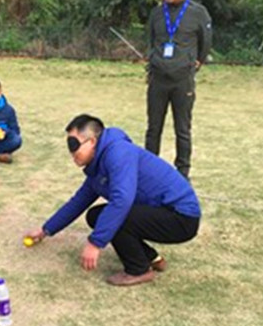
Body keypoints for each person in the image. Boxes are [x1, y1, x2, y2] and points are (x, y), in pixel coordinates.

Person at [25, 115, 201, 286]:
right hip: (161, 212)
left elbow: (122, 200)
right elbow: (77, 202)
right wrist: (46, 229)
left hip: (181, 218)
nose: (72, 153)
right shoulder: (98, 165)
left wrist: (95, 243)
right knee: (96, 216)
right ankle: (152, 258)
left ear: (91, 141)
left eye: (74, 145)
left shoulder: (118, 153)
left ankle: (138, 269)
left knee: (115, 214)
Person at [144, 0, 212, 179]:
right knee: (153, 128)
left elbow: (205, 43)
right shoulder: (157, 13)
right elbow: (151, 40)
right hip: (158, 80)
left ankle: (182, 174)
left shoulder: (198, 13)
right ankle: (149, 171)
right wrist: (153, 61)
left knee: (182, 129)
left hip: (182, 81)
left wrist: (195, 63)